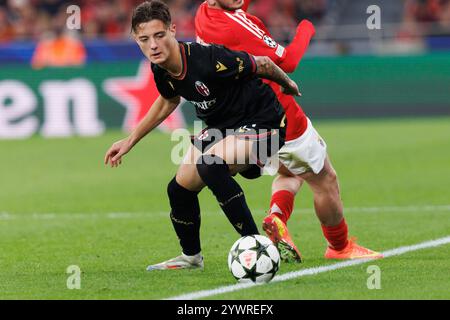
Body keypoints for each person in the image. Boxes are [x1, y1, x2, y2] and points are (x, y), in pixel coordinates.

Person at [104, 0, 301, 270]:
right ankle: (191, 257)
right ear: (135, 40)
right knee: (179, 189)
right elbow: (168, 101)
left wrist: (288, 84)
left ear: (173, 30)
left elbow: (264, 64)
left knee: (210, 166)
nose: (153, 45)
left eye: (159, 35)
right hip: (222, 127)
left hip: (263, 122)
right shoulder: (160, 68)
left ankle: (258, 247)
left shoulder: (208, 59)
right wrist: (129, 141)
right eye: (144, 39)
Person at [195, 0, 382, 261]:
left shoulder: (204, 13)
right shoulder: (236, 26)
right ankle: (339, 247)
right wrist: (306, 28)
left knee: (289, 172)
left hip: (246, 119)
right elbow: (289, 62)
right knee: (325, 179)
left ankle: (277, 216)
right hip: (279, 115)